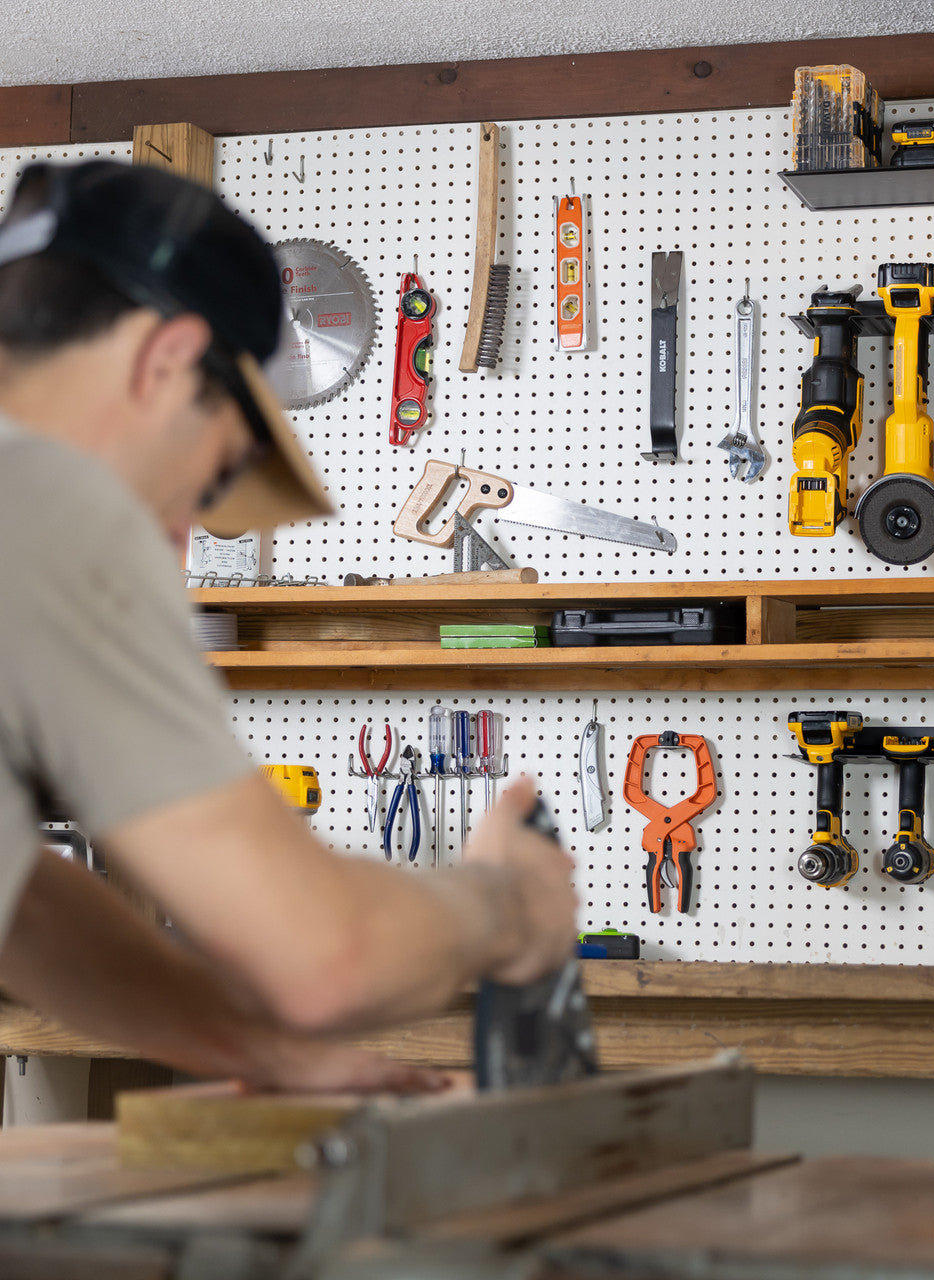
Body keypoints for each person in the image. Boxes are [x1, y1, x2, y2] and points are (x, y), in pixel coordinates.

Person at [0, 159, 579, 1092]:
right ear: (166, 361)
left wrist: (252, 1052)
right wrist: (511, 907)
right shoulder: (47, 499)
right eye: (216, 475)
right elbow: (329, 960)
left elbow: (21, 905)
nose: (185, 534)